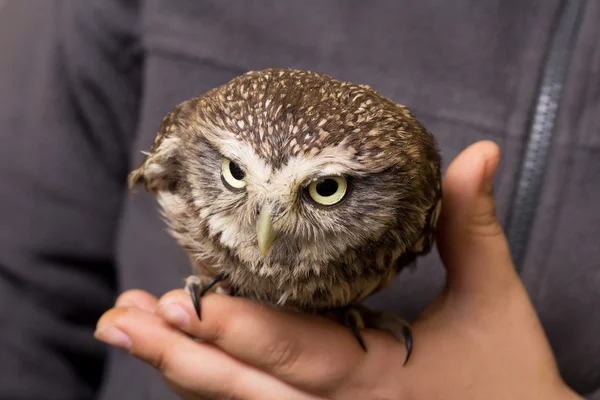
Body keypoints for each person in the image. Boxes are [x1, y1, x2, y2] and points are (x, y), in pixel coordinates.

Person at [0, 1, 598, 399]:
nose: (266, 225)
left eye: (326, 189)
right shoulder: (184, 133)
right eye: (236, 175)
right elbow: (26, 292)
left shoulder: (406, 190)